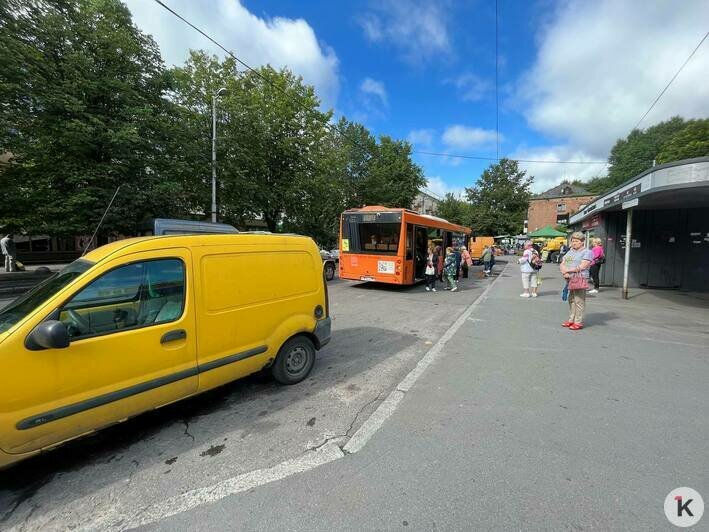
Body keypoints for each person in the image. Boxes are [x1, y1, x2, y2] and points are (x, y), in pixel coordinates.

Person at [560, 232, 593, 330]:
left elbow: (583, 266)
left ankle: (578, 322)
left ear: (582, 242)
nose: (574, 243)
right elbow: (563, 262)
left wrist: (568, 270)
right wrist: (564, 272)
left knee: (579, 300)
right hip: (569, 278)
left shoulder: (587, 252)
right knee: (571, 299)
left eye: (576, 241)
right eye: (573, 241)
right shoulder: (570, 251)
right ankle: (571, 319)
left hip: (579, 278)